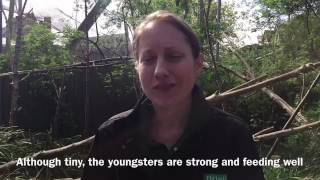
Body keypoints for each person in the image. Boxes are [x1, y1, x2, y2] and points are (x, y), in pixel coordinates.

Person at [82, 10, 265, 180]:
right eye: (149, 59)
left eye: (173, 56)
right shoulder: (112, 136)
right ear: (137, 67)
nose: (160, 71)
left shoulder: (232, 137)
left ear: (198, 64)